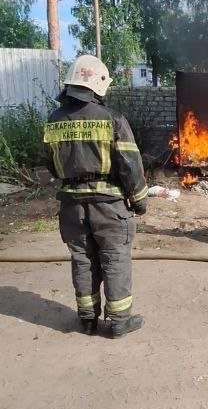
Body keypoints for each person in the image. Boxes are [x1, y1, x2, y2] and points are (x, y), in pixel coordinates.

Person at [43, 55, 149, 337]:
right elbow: (130, 165)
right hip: (108, 206)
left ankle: (88, 319)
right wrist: (139, 200)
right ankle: (119, 321)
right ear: (98, 84)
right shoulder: (112, 119)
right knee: (115, 258)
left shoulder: (54, 121)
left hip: (71, 206)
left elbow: (51, 164)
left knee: (82, 260)